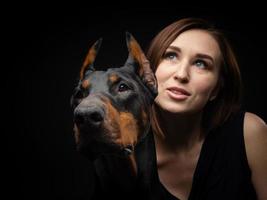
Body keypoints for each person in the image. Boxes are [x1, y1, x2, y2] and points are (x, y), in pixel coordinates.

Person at [145, 17, 267, 200]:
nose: (181, 74)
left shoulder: (249, 132)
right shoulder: (120, 152)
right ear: (149, 71)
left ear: (215, 89)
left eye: (201, 63)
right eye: (171, 56)